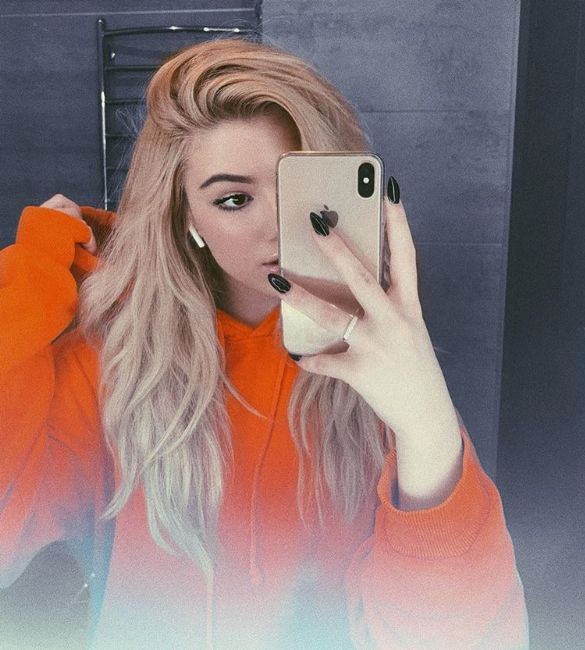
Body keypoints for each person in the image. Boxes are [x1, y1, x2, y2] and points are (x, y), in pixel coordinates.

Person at [0, 37, 528, 649]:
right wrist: (31, 278)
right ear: (186, 217)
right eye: (234, 199)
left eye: (303, 189)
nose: (280, 225)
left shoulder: (385, 370)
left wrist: (428, 426)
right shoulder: (115, 360)